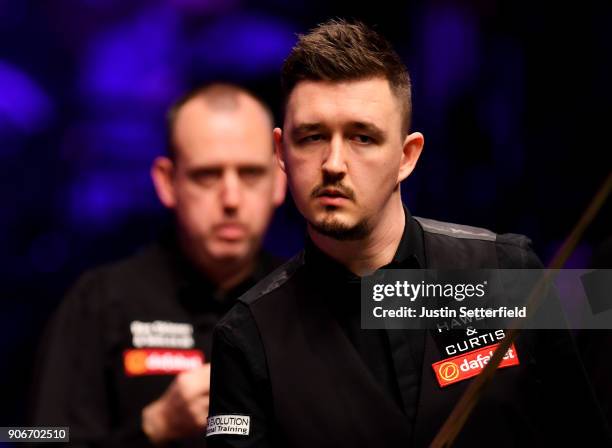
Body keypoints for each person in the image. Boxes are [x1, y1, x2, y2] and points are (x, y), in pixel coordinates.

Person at [206, 21, 610, 447]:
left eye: (363, 137)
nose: (334, 163)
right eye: (312, 137)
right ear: (281, 152)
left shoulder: (506, 269)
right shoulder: (248, 334)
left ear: (406, 156)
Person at [30, 83, 286, 447]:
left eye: (250, 174)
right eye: (207, 175)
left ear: (279, 181)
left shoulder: (307, 301)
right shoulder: (99, 301)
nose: (231, 199)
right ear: (167, 183)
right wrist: (154, 427)